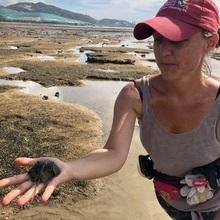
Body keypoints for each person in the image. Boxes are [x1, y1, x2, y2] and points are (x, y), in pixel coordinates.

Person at [0, 0, 219, 219]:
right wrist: (69, 168)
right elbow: (113, 153)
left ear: (211, 42)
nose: (163, 51)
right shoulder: (135, 95)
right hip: (170, 201)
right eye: (158, 39)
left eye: (177, 40)